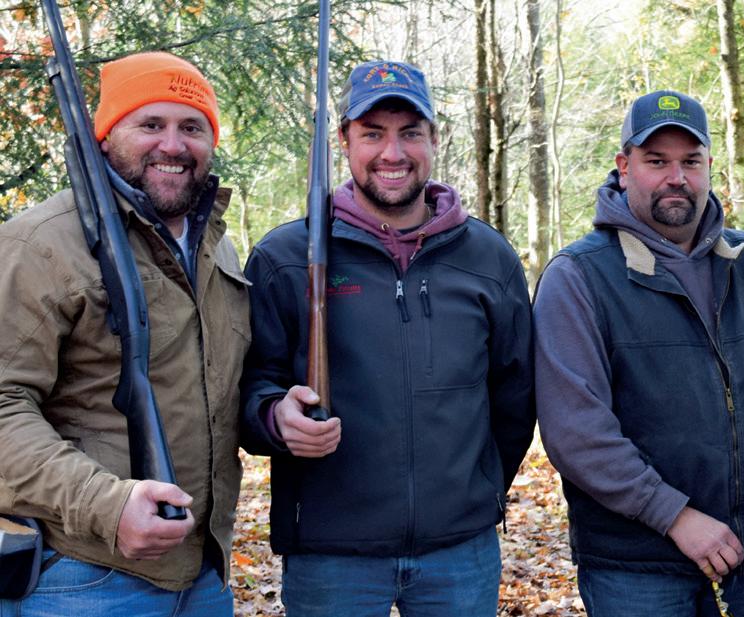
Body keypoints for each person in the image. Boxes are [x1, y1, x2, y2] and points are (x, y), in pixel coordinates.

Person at [238, 59, 535, 616]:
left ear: (434, 139)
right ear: (344, 141)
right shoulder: (287, 259)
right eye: (373, 134)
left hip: (460, 553)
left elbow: (515, 394)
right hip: (331, 556)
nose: (392, 153)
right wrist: (276, 418)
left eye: (410, 133)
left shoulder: (488, 258)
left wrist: (479, 489)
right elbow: (247, 385)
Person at [533, 90, 744, 616]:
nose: (676, 177)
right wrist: (674, 515)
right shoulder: (579, 277)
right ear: (624, 167)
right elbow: (576, 430)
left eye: (690, 161)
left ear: (709, 167)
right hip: (635, 570)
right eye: (657, 161)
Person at [0, 52, 247, 616]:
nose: (173, 145)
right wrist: (106, 506)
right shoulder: (39, 243)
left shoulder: (215, 246)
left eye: (192, 127)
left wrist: (275, 409)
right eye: (150, 124)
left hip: (204, 574)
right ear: (106, 136)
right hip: (83, 575)